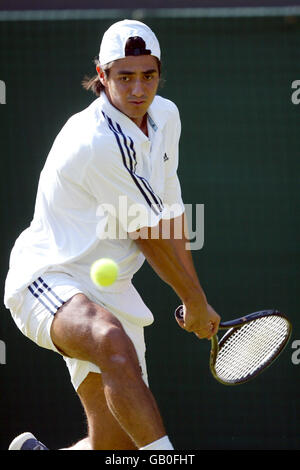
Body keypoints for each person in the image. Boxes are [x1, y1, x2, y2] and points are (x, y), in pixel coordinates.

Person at [5, 19, 220, 451]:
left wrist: (193, 296)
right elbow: (147, 235)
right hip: (49, 276)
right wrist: (194, 303)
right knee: (109, 339)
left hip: (112, 289)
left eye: (148, 75)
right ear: (102, 78)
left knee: (112, 448)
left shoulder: (166, 117)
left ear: (159, 73)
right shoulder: (96, 141)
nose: (139, 90)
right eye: (125, 77)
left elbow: (172, 214)